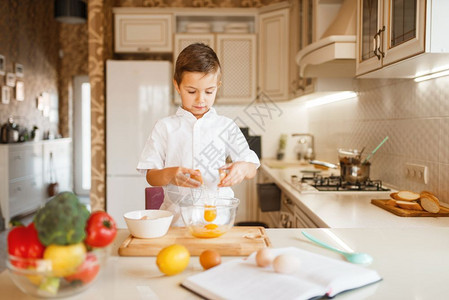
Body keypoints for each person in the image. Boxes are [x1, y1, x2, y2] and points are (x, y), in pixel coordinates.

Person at [137, 43, 260, 226]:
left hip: (217, 222)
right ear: (177, 86)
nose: (201, 99)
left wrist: (242, 168)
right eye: (192, 91)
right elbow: (151, 176)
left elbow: (252, 167)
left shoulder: (225, 126)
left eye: (209, 91)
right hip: (176, 223)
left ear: (217, 86)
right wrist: (170, 174)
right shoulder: (165, 127)